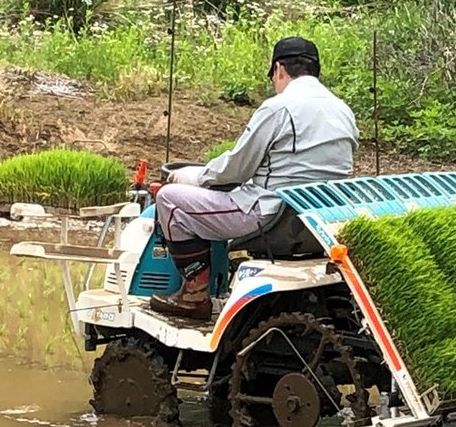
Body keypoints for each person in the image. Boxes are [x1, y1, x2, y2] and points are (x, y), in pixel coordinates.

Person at [149, 36, 359, 320]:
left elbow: (237, 168)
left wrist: (194, 176)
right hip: (319, 219)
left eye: (274, 75)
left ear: (279, 69)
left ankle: (194, 295)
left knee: (169, 199)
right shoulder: (343, 110)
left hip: (273, 217)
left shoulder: (280, 107)